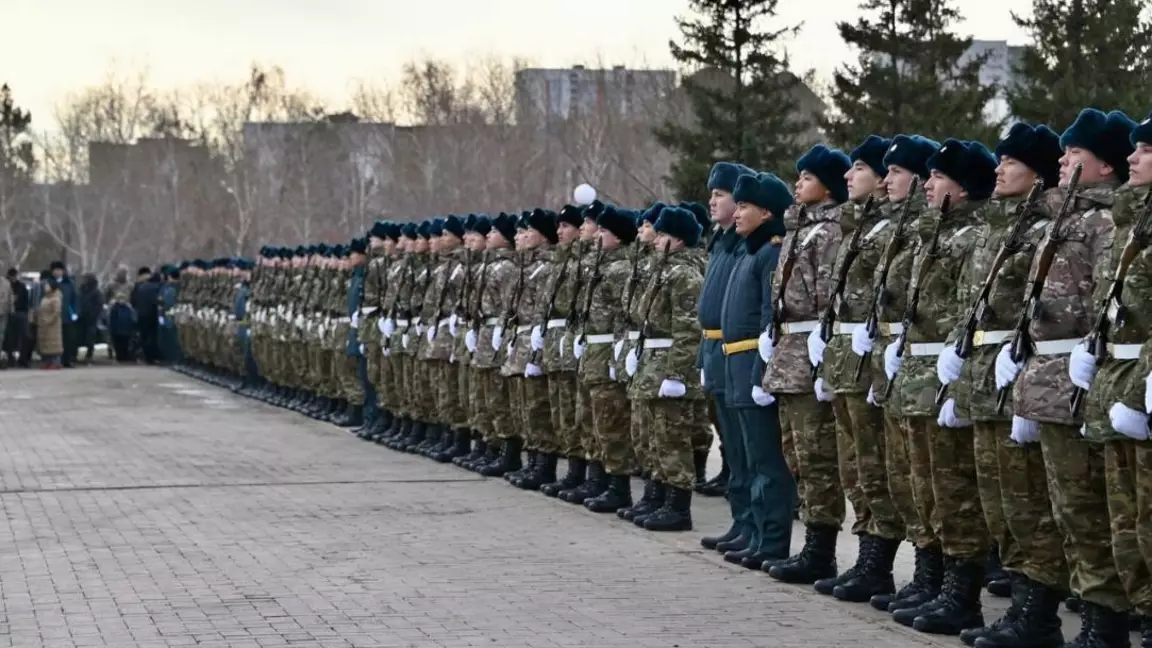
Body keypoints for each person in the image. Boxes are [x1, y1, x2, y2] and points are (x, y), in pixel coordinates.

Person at [996, 108, 1137, 645]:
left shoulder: (1105, 222)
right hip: (1048, 378)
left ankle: (1105, 626)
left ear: (1105, 165)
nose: (1062, 159)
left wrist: (1087, 361)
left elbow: (1107, 303)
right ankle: (1051, 615)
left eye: (1074, 152)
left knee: (1089, 510)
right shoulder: (1064, 218)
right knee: (1059, 507)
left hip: (1084, 381)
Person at [764, 144, 851, 584]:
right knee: (797, 454)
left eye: (807, 177)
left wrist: (824, 350)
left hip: (810, 353)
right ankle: (812, 544)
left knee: (818, 456)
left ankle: (822, 549)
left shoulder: (830, 231)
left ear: (828, 186)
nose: (798, 184)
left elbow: (828, 297)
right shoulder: (800, 229)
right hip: (789, 352)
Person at [719, 171, 796, 570]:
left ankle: (772, 541)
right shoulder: (750, 251)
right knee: (749, 461)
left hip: (754, 365)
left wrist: (762, 373)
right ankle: (754, 532)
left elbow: (769, 317)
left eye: (744, 206)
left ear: (766, 212)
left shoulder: (769, 252)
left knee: (768, 463)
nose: (736, 213)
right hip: (737, 366)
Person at [49, 261, 78, 367]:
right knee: (54, 339)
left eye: (59, 270)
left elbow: (75, 299)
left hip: (67, 315)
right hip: (53, 316)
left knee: (68, 338)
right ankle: (55, 360)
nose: (57, 272)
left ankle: (67, 359)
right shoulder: (49, 283)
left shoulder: (69, 283)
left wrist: (75, 312)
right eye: (55, 270)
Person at [131, 269, 162, 364]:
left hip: (141, 314)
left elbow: (133, 300)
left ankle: (146, 356)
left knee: (143, 336)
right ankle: (153, 356)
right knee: (153, 336)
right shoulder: (158, 288)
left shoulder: (141, 287)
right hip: (153, 314)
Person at [105, 268, 135, 363]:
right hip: (114, 306)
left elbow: (133, 296)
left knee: (127, 334)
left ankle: (126, 352)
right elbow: (106, 296)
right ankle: (112, 349)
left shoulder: (130, 285)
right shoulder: (111, 285)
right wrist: (110, 303)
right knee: (112, 331)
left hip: (127, 307)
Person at [36, 276, 63, 369]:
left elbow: (57, 312)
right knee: (46, 344)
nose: (45, 287)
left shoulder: (56, 298)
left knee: (54, 345)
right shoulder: (45, 297)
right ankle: (47, 362)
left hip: (53, 325)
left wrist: (49, 320)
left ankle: (56, 362)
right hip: (44, 324)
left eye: (47, 286)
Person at [77, 273, 103, 364]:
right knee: (78, 336)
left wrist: (93, 315)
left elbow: (99, 305)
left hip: (91, 319)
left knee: (90, 337)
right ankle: (76, 354)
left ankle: (89, 355)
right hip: (81, 317)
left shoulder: (96, 292)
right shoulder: (81, 290)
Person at [5, 268, 28, 367]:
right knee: (10, 337)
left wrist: (26, 311)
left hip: (20, 312)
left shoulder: (21, 286)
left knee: (24, 336)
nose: (13, 278)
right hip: (9, 313)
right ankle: (10, 359)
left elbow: (26, 299)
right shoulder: (6, 285)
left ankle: (23, 359)